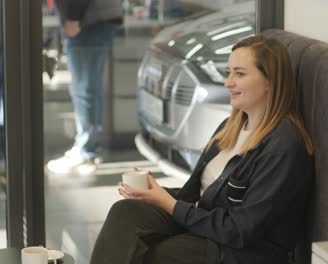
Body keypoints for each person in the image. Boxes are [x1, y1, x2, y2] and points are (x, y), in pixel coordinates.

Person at [90, 35, 314, 264]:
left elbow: (240, 230)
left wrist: (168, 203)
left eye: (240, 73)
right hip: (206, 226)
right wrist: (153, 193)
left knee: (158, 254)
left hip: (242, 250)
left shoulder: (283, 146)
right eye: (228, 72)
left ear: (270, 81)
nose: (228, 82)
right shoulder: (230, 128)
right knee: (125, 211)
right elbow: (195, 196)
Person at [47, 0, 123, 174]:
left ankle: (85, 151)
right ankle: (90, 149)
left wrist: (73, 17)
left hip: (87, 20)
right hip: (99, 18)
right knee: (91, 89)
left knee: (84, 90)